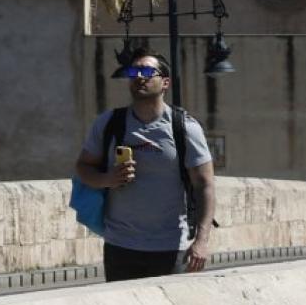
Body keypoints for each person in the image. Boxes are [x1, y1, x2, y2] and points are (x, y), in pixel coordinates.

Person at [74, 50, 218, 281]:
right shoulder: (109, 123)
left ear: (165, 83)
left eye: (148, 72)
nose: (140, 76)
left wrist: (201, 241)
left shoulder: (184, 127)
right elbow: (83, 167)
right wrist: (107, 179)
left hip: (170, 246)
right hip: (120, 245)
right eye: (134, 71)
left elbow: (205, 185)